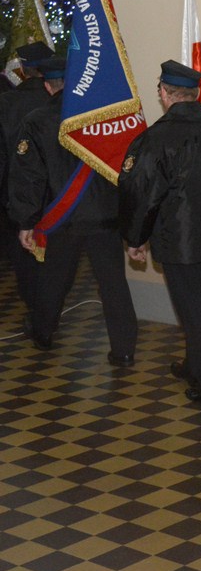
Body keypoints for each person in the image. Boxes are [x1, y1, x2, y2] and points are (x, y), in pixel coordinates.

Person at [118, 61, 201, 406]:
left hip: (176, 241)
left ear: (163, 93)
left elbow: (140, 194)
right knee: (198, 301)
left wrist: (135, 238)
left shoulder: (154, 139)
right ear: (195, 93)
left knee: (195, 313)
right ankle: (193, 365)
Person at [7, 57, 138, 363]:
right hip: (106, 216)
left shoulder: (37, 121)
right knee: (114, 285)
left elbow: (29, 177)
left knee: (53, 280)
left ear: (47, 85)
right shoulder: (103, 116)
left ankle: (43, 332)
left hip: (62, 219)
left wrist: (25, 221)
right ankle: (124, 349)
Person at [0, 41, 54, 315]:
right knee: (57, 259)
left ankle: (37, 314)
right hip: (58, 196)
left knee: (24, 261)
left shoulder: (6, 103)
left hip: (17, 195)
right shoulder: (59, 102)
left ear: (22, 69)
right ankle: (50, 312)